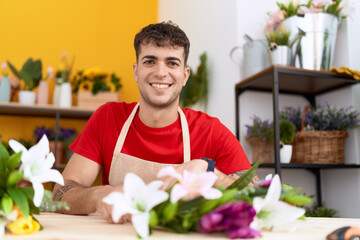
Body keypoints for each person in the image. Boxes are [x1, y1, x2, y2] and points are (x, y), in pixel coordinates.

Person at [53, 21, 252, 223]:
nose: (160, 72)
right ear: (135, 71)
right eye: (150, 61)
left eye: (172, 63)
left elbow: (255, 196)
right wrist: (98, 195)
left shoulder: (211, 132)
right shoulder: (107, 118)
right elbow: (60, 192)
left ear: (185, 76)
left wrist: (208, 172)